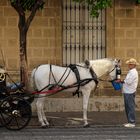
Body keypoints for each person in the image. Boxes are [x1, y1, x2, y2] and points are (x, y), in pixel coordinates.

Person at [118, 58, 139, 128]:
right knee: (128, 107)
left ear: (133, 65)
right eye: (129, 64)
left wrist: (121, 81)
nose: (129, 65)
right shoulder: (131, 72)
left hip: (130, 91)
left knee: (130, 107)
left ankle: (132, 122)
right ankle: (130, 121)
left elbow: (128, 82)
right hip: (128, 91)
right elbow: (127, 81)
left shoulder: (133, 72)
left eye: (130, 64)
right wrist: (121, 81)